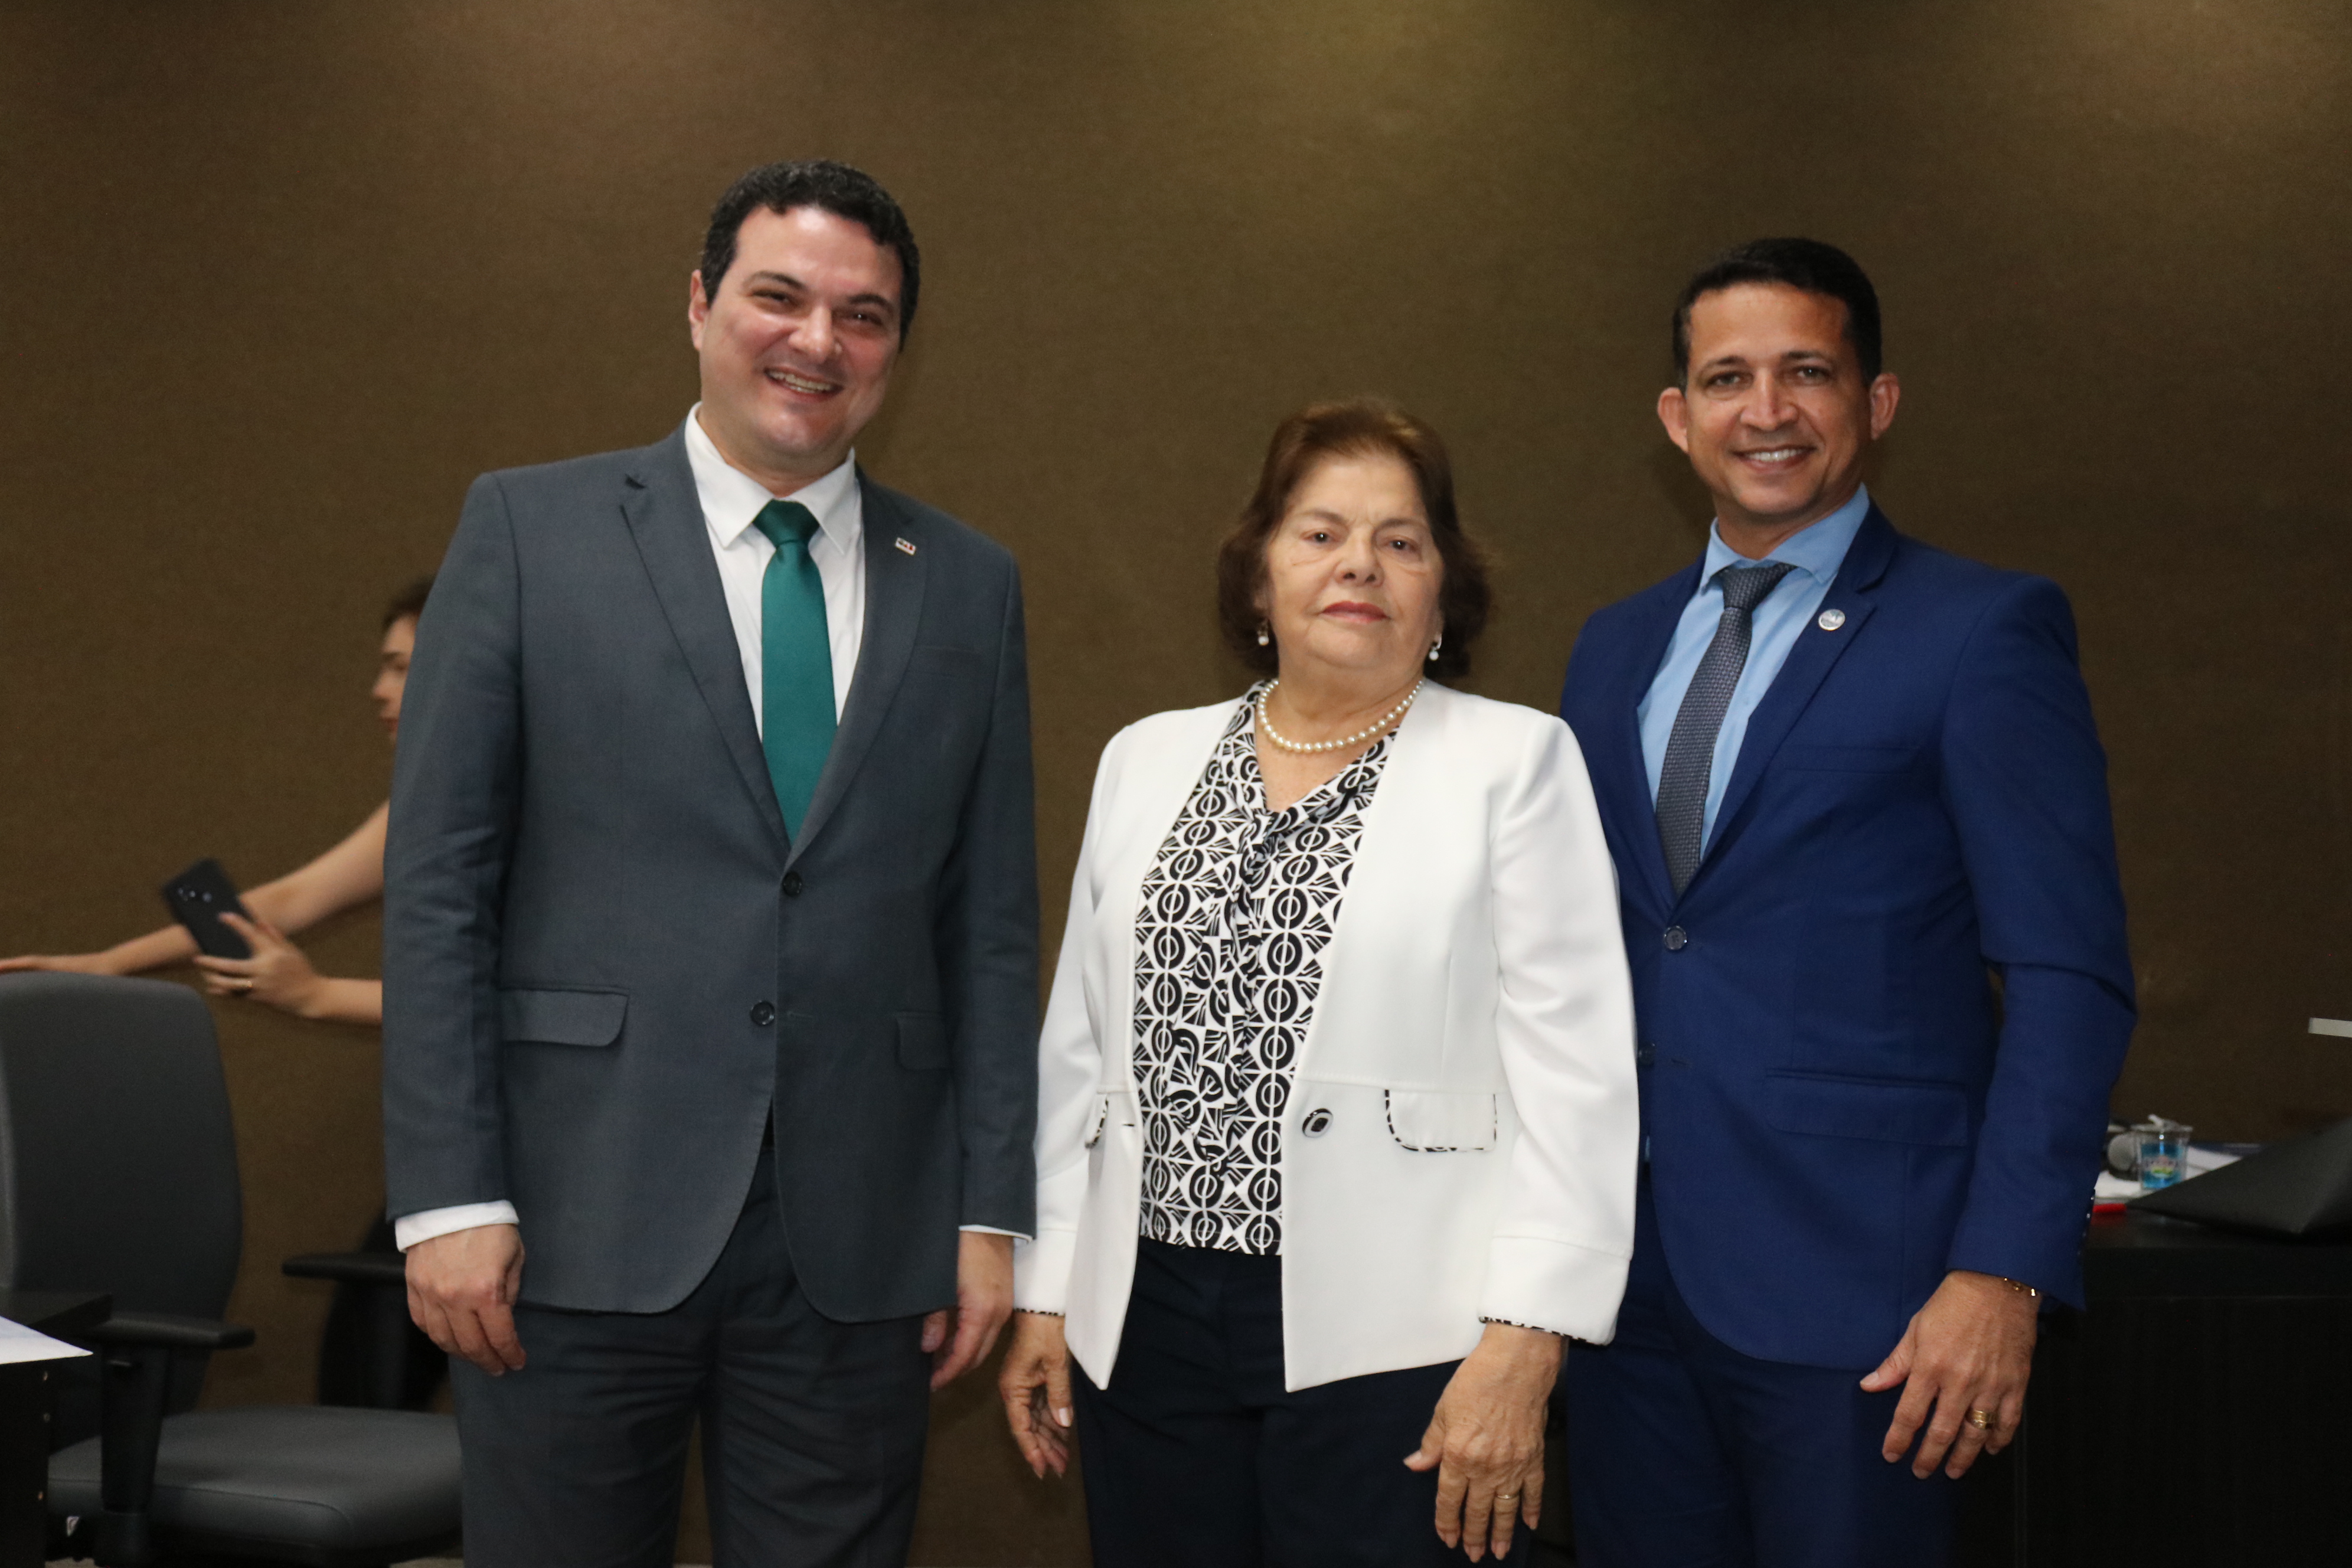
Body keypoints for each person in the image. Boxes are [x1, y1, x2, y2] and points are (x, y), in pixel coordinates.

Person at [383, 159, 1038, 1568]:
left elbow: (986, 927)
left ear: (898, 349)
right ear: (698, 303)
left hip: (863, 1239)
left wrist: (990, 1209)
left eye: (863, 315)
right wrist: (447, 1194)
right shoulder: (527, 531)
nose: (818, 341)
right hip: (568, 1215)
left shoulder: (969, 582)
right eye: (779, 297)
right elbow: (439, 889)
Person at [1555, 239, 2135, 1565]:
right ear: (1676, 417)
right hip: (1621, 1292)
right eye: (1727, 378)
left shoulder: (1980, 629)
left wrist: (2002, 1269)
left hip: (1870, 1305)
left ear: (1875, 401)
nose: (1765, 410)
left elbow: (2067, 973)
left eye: (1805, 372)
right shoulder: (1612, 646)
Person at [999, 399, 1639, 1567]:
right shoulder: (1143, 758)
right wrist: (1045, 1288)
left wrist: (1527, 1335)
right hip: (1143, 1318)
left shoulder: (1515, 763)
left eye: (1401, 540)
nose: (1359, 563)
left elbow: (1579, 1076)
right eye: (1320, 532)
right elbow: (1078, 1054)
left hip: (1401, 1330)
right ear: (1258, 577)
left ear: (1442, 591)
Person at [0, 577, 429, 1024]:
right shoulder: (420, 807)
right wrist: (108, 964)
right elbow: (293, 898)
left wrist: (317, 995)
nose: (379, 689)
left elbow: (473, 1002)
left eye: (402, 668)